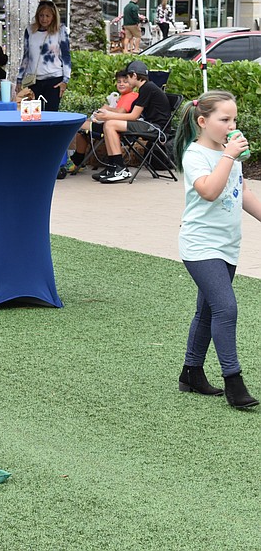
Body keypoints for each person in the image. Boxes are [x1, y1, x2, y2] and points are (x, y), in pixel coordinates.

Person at [173, 90, 261, 409]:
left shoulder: (228, 154)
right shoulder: (195, 155)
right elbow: (210, 191)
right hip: (200, 246)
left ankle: (191, 372)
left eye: (234, 119)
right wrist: (228, 156)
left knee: (208, 311)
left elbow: (243, 193)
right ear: (202, 121)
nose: (232, 125)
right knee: (226, 308)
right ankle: (234, 383)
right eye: (224, 119)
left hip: (227, 246)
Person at [92, 60, 170, 183]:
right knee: (109, 124)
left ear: (134, 75)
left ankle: (120, 168)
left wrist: (108, 115)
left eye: (127, 78)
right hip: (149, 124)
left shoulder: (147, 88)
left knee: (110, 124)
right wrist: (109, 116)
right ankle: (113, 166)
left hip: (156, 129)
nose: (127, 81)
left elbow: (133, 116)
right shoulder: (147, 87)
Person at [66, 70, 139, 174]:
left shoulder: (131, 96)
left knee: (79, 124)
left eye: (125, 81)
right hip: (110, 125)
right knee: (81, 133)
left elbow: (121, 112)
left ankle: (74, 161)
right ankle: (77, 161)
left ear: (132, 83)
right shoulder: (123, 96)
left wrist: (107, 108)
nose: (121, 84)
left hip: (116, 128)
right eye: (119, 82)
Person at [16, 0, 70, 112]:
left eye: (47, 16)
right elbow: (26, 56)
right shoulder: (30, 30)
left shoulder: (60, 30)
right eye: (41, 15)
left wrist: (65, 80)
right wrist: (19, 79)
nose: (44, 19)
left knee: (51, 113)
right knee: (33, 114)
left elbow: (65, 55)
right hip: (34, 80)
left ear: (53, 17)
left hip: (54, 79)